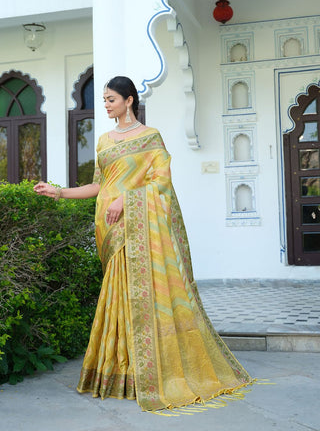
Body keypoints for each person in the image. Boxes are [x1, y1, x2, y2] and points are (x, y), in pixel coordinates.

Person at [34, 76, 252, 412]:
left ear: (129, 100)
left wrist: (128, 199)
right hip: (109, 230)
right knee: (117, 295)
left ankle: (149, 372)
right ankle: (118, 371)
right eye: (103, 100)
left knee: (144, 295)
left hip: (137, 228)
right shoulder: (105, 142)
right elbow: (97, 186)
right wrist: (59, 192)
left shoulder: (150, 138)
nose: (105, 105)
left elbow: (161, 183)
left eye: (110, 99)